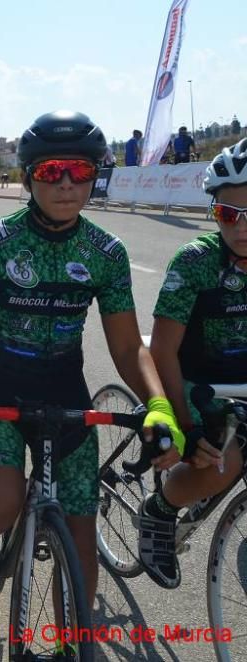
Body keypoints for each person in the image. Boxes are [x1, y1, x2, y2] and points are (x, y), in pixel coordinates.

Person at [0, 110, 183, 621]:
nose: (67, 184)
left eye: (81, 171)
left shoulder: (105, 252)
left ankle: (75, 639)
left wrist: (157, 405)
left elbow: (126, 346)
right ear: (28, 177)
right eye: (51, 172)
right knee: (0, 504)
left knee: (80, 540)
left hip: (65, 397)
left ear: (96, 174)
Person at [138, 138, 247, 589]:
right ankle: (158, 512)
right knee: (227, 459)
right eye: (228, 214)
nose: (241, 228)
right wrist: (187, 424)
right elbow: (162, 351)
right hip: (195, 383)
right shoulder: (196, 262)